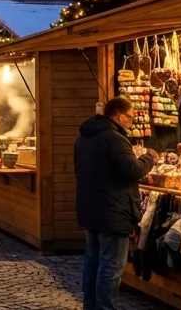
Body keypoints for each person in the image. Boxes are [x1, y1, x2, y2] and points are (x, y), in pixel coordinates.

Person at [76, 97, 157, 310]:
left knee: (93, 262)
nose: (131, 122)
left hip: (91, 210)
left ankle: (90, 306)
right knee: (110, 267)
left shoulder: (84, 138)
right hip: (112, 212)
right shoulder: (115, 139)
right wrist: (149, 158)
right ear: (119, 116)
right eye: (130, 117)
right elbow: (133, 170)